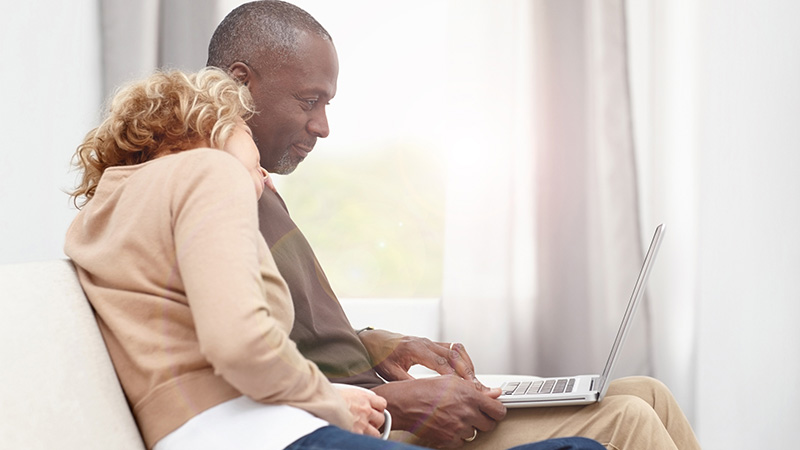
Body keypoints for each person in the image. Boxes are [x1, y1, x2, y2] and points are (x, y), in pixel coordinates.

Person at [206, 1, 702, 449]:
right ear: (241, 81)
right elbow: (227, 369)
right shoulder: (201, 191)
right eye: (308, 101)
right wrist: (402, 404)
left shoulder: (251, 181)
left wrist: (379, 342)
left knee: (649, 394)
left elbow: (292, 330)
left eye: (327, 105)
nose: (323, 126)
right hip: (365, 423)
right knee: (629, 418)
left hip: (374, 395)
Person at [64, 67, 606, 450]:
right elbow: (238, 342)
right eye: (253, 162)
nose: (262, 180)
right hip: (265, 436)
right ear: (205, 134)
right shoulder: (209, 170)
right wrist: (327, 399)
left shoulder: (99, 220)